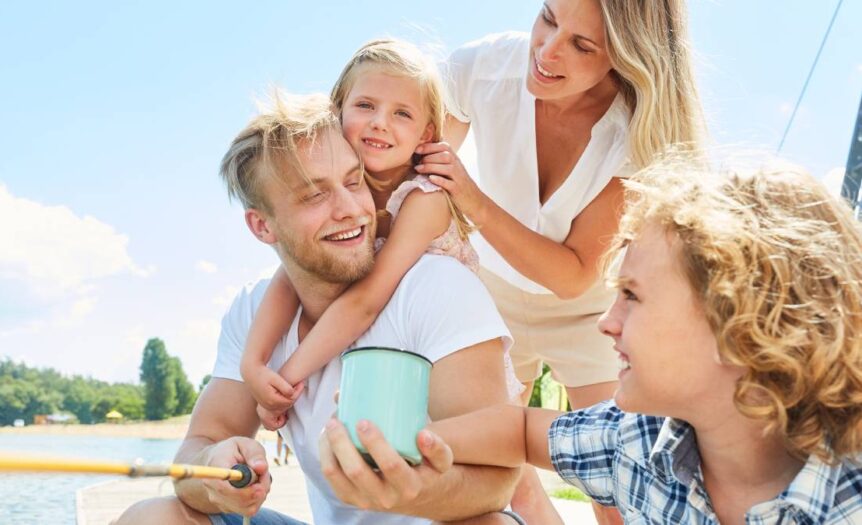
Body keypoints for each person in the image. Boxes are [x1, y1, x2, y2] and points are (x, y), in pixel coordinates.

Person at [115, 93, 523, 525]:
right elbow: (198, 448)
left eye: (353, 181)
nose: (350, 211)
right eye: (314, 196)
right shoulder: (254, 311)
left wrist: (413, 493)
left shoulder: (437, 287)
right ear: (262, 225)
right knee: (152, 517)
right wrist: (214, 474)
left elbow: (497, 480)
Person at [427, 156, 862, 523]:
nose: (606, 323)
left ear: (739, 324)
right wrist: (395, 449)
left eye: (631, 295)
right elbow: (520, 430)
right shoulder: (637, 440)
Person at [414, 1, 703, 521]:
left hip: (587, 312)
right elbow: (414, 181)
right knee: (498, 474)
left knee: (614, 484)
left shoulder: (638, 131)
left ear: (624, 57)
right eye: (548, 18)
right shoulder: (480, 67)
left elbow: (573, 275)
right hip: (490, 295)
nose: (547, 51)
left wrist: (473, 201)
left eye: (582, 45)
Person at [240, 39, 521, 431]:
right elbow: (290, 275)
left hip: (450, 350)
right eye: (365, 105)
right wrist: (252, 364)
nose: (379, 122)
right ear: (338, 109)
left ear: (425, 135)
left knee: (499, 466)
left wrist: (286, 378)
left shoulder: (425, 198)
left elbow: (366, 301)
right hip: (391, 350)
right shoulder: (351, 193)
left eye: (401, 113)